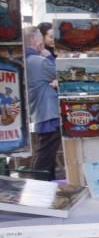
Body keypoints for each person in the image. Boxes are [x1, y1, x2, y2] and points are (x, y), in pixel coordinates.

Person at [23, 25, 60, 181]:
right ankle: (39, 186)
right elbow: (65, 72)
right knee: (45, 154)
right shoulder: (39, 61)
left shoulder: (26, 60)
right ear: (35, 41)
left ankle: (44, 185)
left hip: (40, 112)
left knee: (46, 153)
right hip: (48, 113)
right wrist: (49, 57)